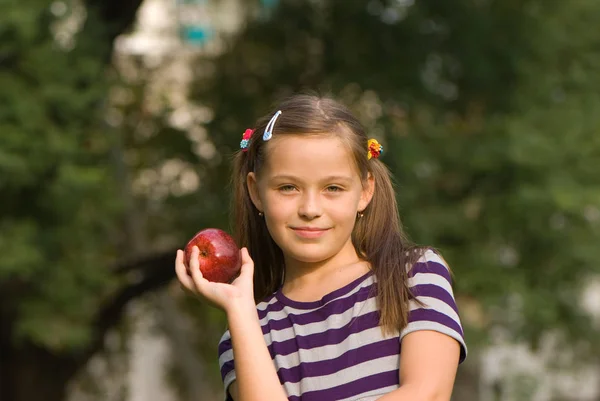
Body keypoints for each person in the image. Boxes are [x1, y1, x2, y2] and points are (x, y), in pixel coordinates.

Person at [175, 94, 467, 401]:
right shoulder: (246, 331)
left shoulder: (414, 276)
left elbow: (427, 394)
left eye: (333, 188)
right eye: (288, 187)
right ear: (255, 192)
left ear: (365, 191)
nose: (311, 208)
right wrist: (239, 309)